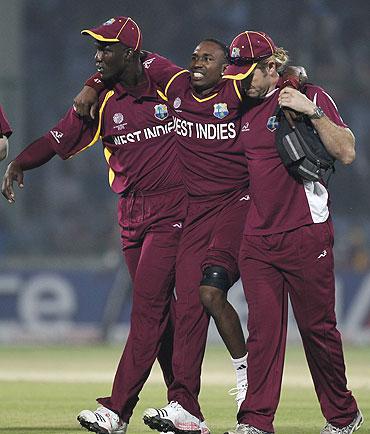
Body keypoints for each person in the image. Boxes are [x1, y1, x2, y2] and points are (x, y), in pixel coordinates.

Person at [1, 16, 198, 434]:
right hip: (130, 214)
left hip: (173, 211)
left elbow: (207, 89)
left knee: (147, 309)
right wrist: (21, 162)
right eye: (96, 49)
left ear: (131, 52)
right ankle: (186, 408)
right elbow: (58, 138)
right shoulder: (102, 97)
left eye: (107, 48)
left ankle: (116, 411)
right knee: (161, 315)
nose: (98, 55)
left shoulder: (168, 81)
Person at [76, 36, 252, 433]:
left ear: (226, 67)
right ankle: (184, 407)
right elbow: (133, 58)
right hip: (193, 212)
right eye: (194, 56)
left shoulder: (239, 91)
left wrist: (294, 82)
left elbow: (269, 79)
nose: (197, 62)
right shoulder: (176, 88)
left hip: (236, 206)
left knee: (205, 294)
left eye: (207, 58)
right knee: (187, 307)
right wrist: (94, 81)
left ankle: (246, 376)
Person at [219, 31, 363, 434]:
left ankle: (343, 415)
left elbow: (347, 152)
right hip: (257, 241)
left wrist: (312, 112)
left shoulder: (309, 96)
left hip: (306, 232)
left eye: (248, 72)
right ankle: (256, 421)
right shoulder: (238, 107)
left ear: (271, 67)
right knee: (263, 336)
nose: (240, 81)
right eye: (236, 73)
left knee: (318, 332)